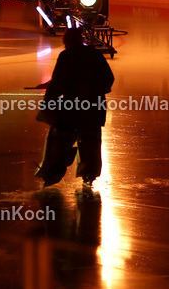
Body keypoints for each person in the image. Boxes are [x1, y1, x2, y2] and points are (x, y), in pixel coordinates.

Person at [35, 28, 115, 191]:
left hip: (71, 109)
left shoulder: (67, 56)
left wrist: (48, 105)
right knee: (91, 143)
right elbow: (109, 79)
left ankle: (52, 173)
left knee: (59, 141)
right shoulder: (95, 55)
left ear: (67, 42)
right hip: (94, 108)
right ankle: (89, 175)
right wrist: (94, 92)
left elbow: (58, 84)